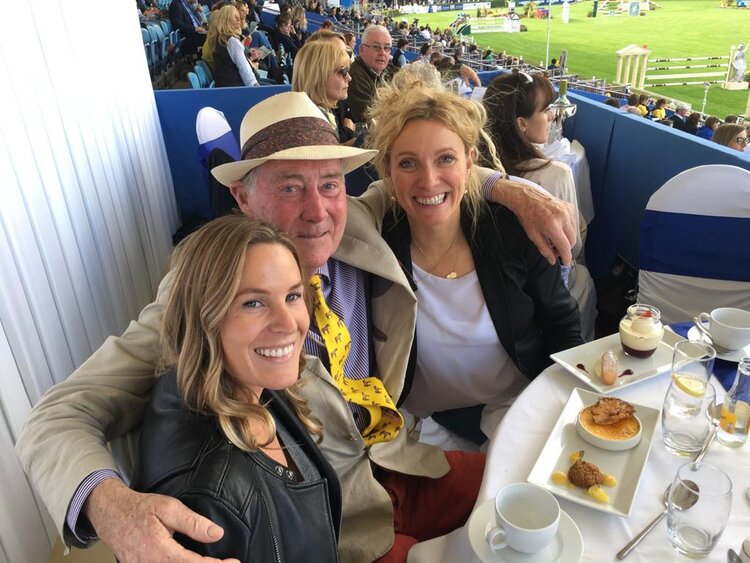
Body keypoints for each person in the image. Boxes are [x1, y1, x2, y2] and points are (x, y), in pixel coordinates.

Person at [17, 92, 577, 563]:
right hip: (334, 524)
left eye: (329, 184)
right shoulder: (205, 293)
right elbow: (56, 416)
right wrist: (113, 509)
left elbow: (429, 176)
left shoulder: (355, 225)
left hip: (398, 462)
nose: (316, 210)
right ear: (242, 197)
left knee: (538, 495)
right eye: (289, 187)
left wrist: (512, 189)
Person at [362, 79, 583, 445]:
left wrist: (557, 411)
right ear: (388, 172)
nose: (429, 180)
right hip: (420, 431)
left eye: (445, 159)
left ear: (469, 163)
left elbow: (563, 324)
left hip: (518, 417)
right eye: (408, 163)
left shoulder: (512, 229)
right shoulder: (373, 245)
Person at [132, 215, 341, 560]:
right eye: (253, 303)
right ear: (205, 316)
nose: (288, 323)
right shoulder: (210, 498)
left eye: (292, 296)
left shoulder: (249, 382)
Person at [483, 71, 597, 341]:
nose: (552, 116)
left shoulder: (474, 168)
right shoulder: (556, 174)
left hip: (494, 290)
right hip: (545, 293)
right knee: (584, 278)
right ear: (521, 124)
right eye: (545, 110)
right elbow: (571, 248)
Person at [292, 40, 357, 143]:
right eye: (342, 71)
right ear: (318, 77)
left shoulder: (325, 111)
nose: (349, 78)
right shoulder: (310, 124)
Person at [204, 5, 259, 87]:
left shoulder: (217, 38)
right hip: (237, 88)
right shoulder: (232, 41)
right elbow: (245, 71)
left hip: (224, 85)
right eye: (235, 17)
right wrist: (257, 88)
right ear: (226, 20)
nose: (239, 20)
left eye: (238, 17)